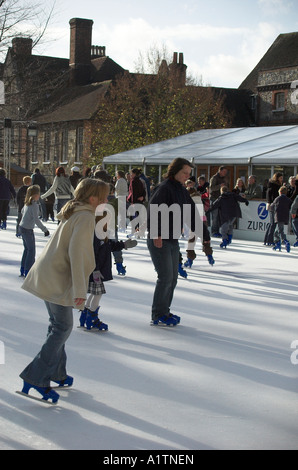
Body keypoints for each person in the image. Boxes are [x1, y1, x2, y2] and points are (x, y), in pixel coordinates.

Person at [19, 178, 110, 404]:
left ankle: (57, 372)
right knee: (62, 327)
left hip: (49, 274)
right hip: (58, 278)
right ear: (92, 199)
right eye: (104, 197)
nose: (107, 200)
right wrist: (80, 289)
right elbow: (77, 252)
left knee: (57, 325)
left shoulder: (75, 211)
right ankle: (36, 377)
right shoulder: (86, 216)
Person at [147, 157, 213, 327]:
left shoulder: (181, 190)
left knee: (173, 278)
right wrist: (156, 235)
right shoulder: (164, 188)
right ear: (174, 171)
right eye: (184, 172)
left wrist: (204, 234)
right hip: (159, 238)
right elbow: (153, 210)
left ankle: (164, 310)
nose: (187, 176)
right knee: (165, 277)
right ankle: (158, 313)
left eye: (189, 174)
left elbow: (191, 214)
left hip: (173, 239)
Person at [79, 211, 137, 331]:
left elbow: (110, 246)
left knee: (95, 292)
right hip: (95, 269)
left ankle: (85, 313)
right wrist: (95, 270)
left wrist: (124, 244)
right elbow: (93, 253)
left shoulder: (103, 234)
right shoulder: (95, 234)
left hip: (99, 269)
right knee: (98, 293)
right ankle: (92, 316)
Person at [19, 185, 50, 277]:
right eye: (38, 193)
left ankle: (23, 268)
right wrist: (45, 230)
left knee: (27, 249)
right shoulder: (34, 205)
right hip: (27, 229)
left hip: (23, 227)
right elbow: (36, 220)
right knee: (31, 250)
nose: (39, 195)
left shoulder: (27, 203)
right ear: (34, 195)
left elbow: (21, 212)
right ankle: (28, 271)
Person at [264, 172, 283, 246]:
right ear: (277, 178)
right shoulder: (274, 186)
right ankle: (269, 240)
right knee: (273, 224)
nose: (282, 179)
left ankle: (267, 239)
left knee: (271, 223)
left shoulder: (273, 185)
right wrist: (270, 203)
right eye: (281, 178)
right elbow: (271, 196)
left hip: (272, 205)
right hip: (273, 206)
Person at [209, 166, 229, 237]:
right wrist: (219, 186)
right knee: (215, 216)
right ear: (220, 171)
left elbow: (226, 187)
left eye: (226, 172)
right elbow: (211, 188)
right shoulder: (214, 178)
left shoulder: (224, 178)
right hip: (214, 199)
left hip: (221, 199)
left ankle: (217, 231)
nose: (225, 173)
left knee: (219, 216)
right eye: (224, 172)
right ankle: (214, 231)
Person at [271, 186, 292, 252]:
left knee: (280, 230)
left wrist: (272, 209)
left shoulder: (277, 198)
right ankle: (278, 243)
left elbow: (272, 206)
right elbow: (291, 206)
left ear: (280, 192)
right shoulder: (288, 199)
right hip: (285, 216)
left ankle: (285, 241)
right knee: (277, 231)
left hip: (279, 216)